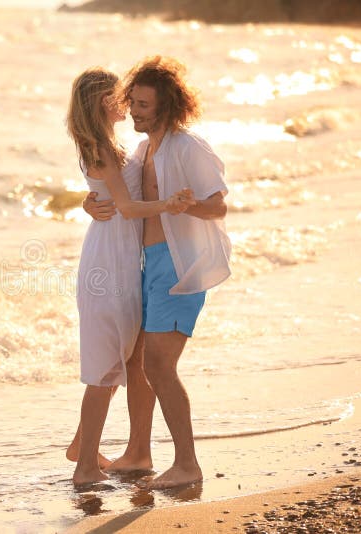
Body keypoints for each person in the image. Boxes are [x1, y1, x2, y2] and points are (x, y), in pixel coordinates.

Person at [82, 56, 231, 489]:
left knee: (159, 365)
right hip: (144, 265)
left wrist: (188, 206)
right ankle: (139, 452)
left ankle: (187, 464)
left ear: (167, 107)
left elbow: (218, 206)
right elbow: (114, 189)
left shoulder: (189, 147)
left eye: (145, 104)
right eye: (134, 102)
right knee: (136, 361)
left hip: (179, 265)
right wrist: (87, 202)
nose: (136, 111)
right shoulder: (146, 149)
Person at [64, 67, 195, 485]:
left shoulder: (112, 145)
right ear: (105, 100)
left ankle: (80, 445)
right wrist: (169, 205)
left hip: (123, 259)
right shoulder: (100, 147)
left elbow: (114, 197)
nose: (127, 103)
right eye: (121, 95)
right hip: (109, 264)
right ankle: (85, 467)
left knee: (121, 358)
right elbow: (127, 207)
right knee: (106, 368)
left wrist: (91, 201)